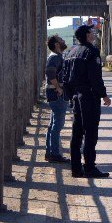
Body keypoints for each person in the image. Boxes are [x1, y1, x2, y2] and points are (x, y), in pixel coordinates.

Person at [63, 24, 112, 178]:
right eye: (91, 32)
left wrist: (69, 96)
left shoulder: (70, 52)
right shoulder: (91, 51)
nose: (93, 33)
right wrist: (104, 95)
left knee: (77, 133)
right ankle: (90, 167)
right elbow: (95, 77)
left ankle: (76, 168)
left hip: (76, 97)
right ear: (86, 35)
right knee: (90, 132)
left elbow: (65, 77)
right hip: (89, 97)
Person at [44, 35, 70, 163]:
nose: (63, 40)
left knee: (53, 124)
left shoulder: (56, 56)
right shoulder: (54, 57)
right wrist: (59, 88)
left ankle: (50, 152)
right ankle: (54, 153)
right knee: (57, 124)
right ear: (56, 45)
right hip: (57, 94)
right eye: (61, 40)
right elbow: (50, 74)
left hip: (55, 93)